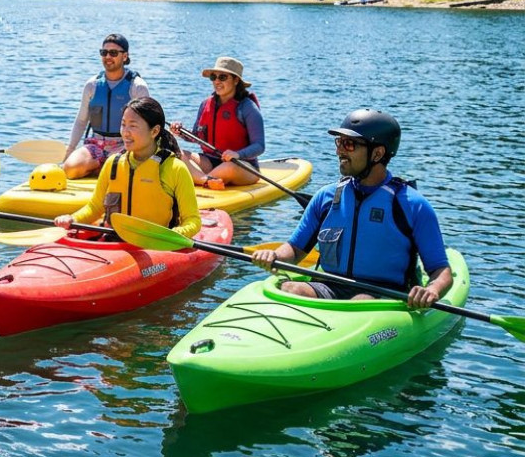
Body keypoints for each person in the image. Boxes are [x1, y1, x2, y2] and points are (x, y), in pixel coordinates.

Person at [251, 110, 453, 307]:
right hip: (329, 287)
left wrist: (432, 290)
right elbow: (294, 250)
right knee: (290, 288)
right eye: (339, 142)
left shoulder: (412, 205)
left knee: (361, 301)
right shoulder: (326, 198)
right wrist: (274, 255)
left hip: (385, 297)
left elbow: (440, 271)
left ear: (378, 153)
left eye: (349, 144)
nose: (339, 151)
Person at [54, 97, 201, 240]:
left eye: (133, 125)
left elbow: (193, 220)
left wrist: (174, 235)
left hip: (155, 245)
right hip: (114, 242)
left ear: (154, 131)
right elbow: (94, 208)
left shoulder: (174, 168)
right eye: (123, 124)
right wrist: (72, 218)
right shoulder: (113, 163)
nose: (125, 132)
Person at [61, 33, 150, 179]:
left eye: (113, 53)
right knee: (70, 169)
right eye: (104, 52)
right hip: (96, 145)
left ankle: (102, 168)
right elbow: (81, 121)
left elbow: (147, 125)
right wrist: (69, 151)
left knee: (119, 173)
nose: (108, 56)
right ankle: (98, 165)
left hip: (126, 145)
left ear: (125, 56)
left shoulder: (137, 87)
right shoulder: (92, 85)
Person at [173, 56, 264, 187]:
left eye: (222, 77)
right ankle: (206, 180)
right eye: (213, 77)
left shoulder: (248, 107)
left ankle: (200, 180)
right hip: (210, 161)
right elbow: (197, 137)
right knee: (176, 153)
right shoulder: (205, 104)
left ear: (236, 80)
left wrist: (237, 154)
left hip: (241, 166)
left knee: (229, 167)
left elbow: (259, 146)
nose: (217, 81)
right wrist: (181, 132)